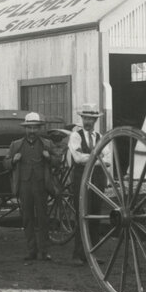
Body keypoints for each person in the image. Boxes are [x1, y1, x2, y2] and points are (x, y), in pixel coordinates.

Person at [7, 111, 55, 262]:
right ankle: (31, 251)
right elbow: (5, 163)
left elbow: (58, 162)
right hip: (24, 186)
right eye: (29, 128)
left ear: (39, 129)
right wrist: (13, 161)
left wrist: (50, 158)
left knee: (43, 219)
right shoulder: (16, 145)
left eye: (35, 128)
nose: (32, 131)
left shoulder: (47, 144)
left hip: (41, 187)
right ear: (25, 129)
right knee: (27, 219)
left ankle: (44, 251)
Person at [67, 103, 103, 265]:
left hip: (98, 181)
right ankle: (77, 254)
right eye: (86, 118)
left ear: (95, 120)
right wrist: (97, 157)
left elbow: (108, 160)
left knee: (95, 215)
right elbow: (77, 158)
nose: (88, 121)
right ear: (82, 119)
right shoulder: (76, 136)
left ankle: (92, 255)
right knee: (82, 215)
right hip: (81, 181)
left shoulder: (101, 137)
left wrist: (89, 157)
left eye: (91, 119)